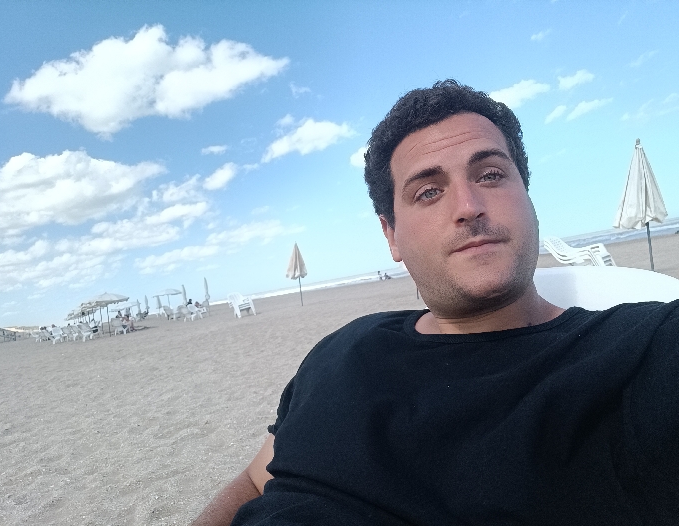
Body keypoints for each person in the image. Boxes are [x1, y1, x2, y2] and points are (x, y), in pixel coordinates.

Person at [191, 80, 679, 525]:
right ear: (392, 235)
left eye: (490, 175)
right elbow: (256, 479)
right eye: (428, 192)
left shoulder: (641, 352)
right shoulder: (342, 349)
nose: (468, 206)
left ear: (528, 197)